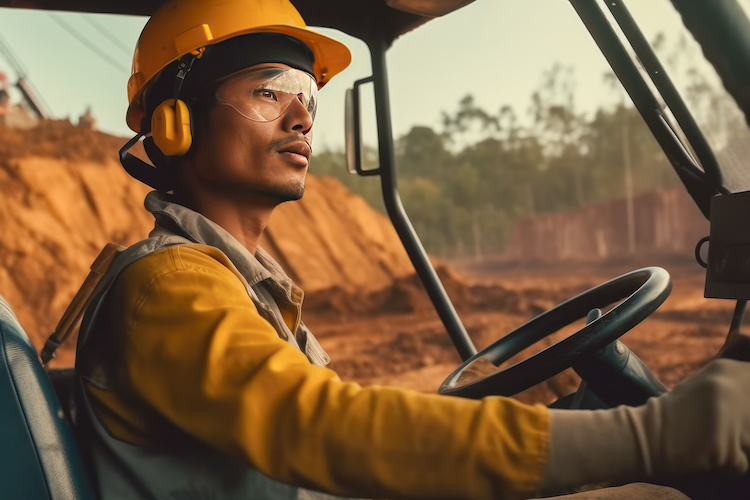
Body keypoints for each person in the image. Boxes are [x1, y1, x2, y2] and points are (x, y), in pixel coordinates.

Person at [73, 0, 750, 499]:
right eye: (267, 91)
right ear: (175, 122)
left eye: (306, 94)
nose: (303, 116)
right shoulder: (168, 287)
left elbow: (328, 422)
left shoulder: (235, 280)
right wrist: (650, 436)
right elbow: (324, 429)